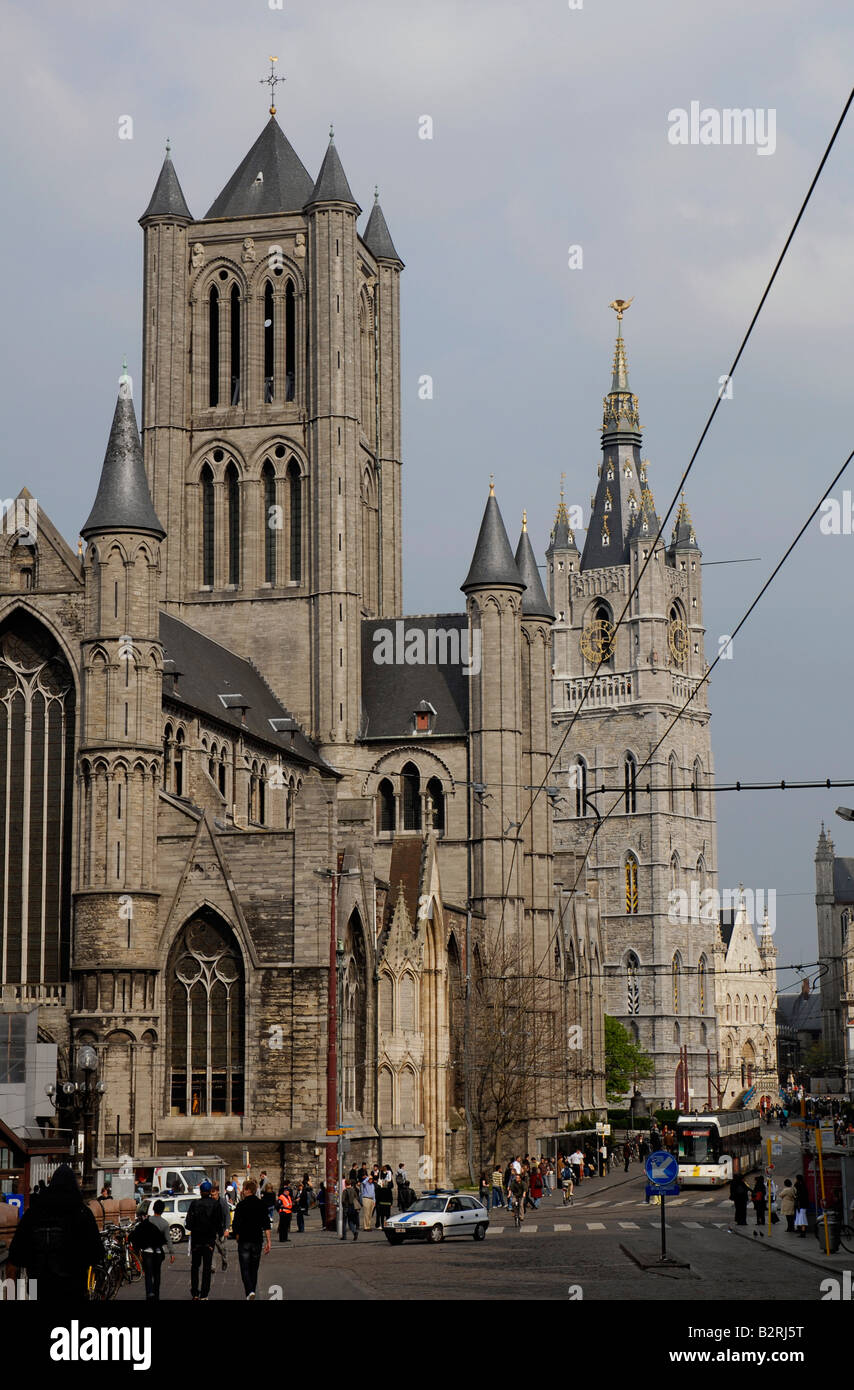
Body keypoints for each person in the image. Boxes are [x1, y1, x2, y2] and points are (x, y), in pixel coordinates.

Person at [7, 1164, 103, 1304]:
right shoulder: (81, 1213)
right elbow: (96, 1253)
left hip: (39, 1287)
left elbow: (16, 1255)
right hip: (72, 1288)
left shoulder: (34, 1212)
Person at [230, 1179, 271, 1299]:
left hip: (244, 1240)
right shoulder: (262, 1204)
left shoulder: (241, 1205)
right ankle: (252, 1290)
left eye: (243, 1189)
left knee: (245, 1268)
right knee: (254, 1268)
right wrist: (269, 1241)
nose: (242, 1191)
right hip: (257, 1240)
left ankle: (249, 1291)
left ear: (248, 1190)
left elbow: (236, 1224)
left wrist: (237, 1235)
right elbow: (266, 1224)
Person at [185, 1178, 225, 1300]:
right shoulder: (216, 1204)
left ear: (201, 1191)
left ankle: (195, 1292)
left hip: (197, 1240)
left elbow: (188, 1223)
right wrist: (219, 1233)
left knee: (195, 1266)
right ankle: (204, 1293)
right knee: (207, 1267)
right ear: (210, 1191)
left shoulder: (194, 1204)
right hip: (209, 1240)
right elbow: (219, 1223)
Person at [131, 1198, 175, 1301]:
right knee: (157, 1274)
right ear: (162, 1210)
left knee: (148, 1274)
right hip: (158, 1252)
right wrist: (172, 1253)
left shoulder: (148, 1220)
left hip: (147, 1252)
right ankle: (156, 1295)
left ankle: (149, 1293)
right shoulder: (164, 1223)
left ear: (154, 1209)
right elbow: (168, 1240)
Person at [211, 1182, 230, 1270]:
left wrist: (227, 1229)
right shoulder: (210, 1202)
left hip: (221, 1229)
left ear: (218, 1193)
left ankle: (224, 1260)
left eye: (214, 1195)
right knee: (212, 1249)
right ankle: (212, 1266)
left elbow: (227, 1215)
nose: (213, 1197)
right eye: (211, 1195)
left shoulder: (222, 1202)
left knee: (222, 1249)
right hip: (212, 1230)